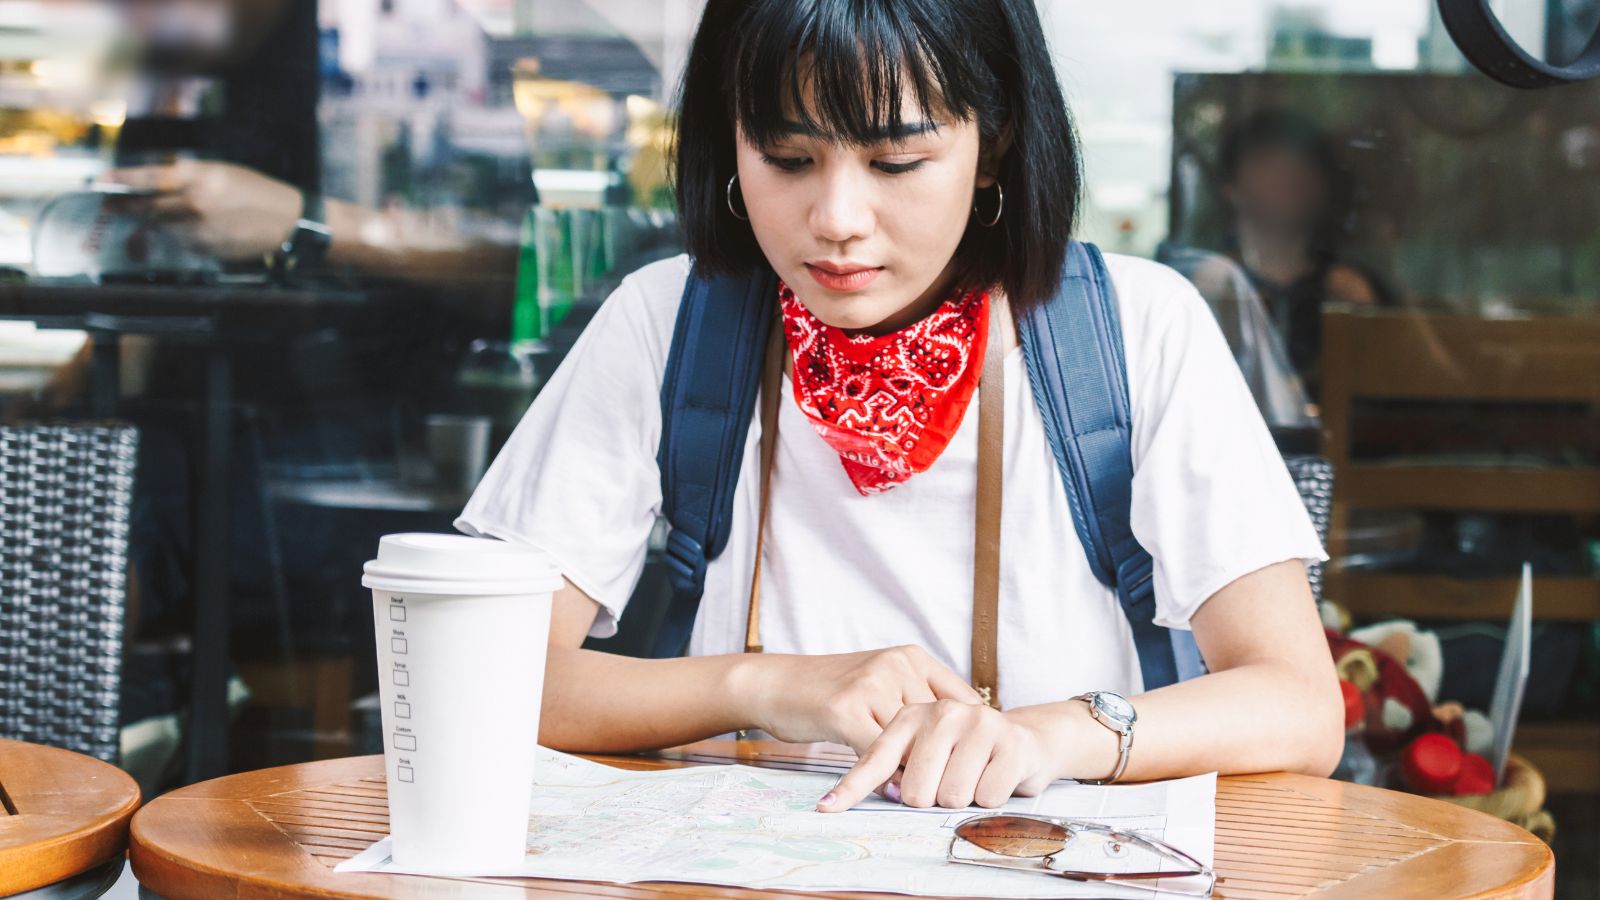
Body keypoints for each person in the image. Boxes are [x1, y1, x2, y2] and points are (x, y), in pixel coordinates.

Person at [460, 0, 1343, 812]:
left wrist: (1045, 735)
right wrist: (762, 689)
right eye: (787, 157)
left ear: (992, 143)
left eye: (897, 161)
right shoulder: (669, 322)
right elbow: (475, 676)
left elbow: (1299, 707)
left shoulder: (1133, 330)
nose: (837, 217)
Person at [1219, 110, 1391, 401]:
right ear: (1231, 188)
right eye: (1267, 163)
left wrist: (1367, 316)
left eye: (1302, 163)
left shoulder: (1354, 288)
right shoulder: (1205, 287)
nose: (1287, 176)